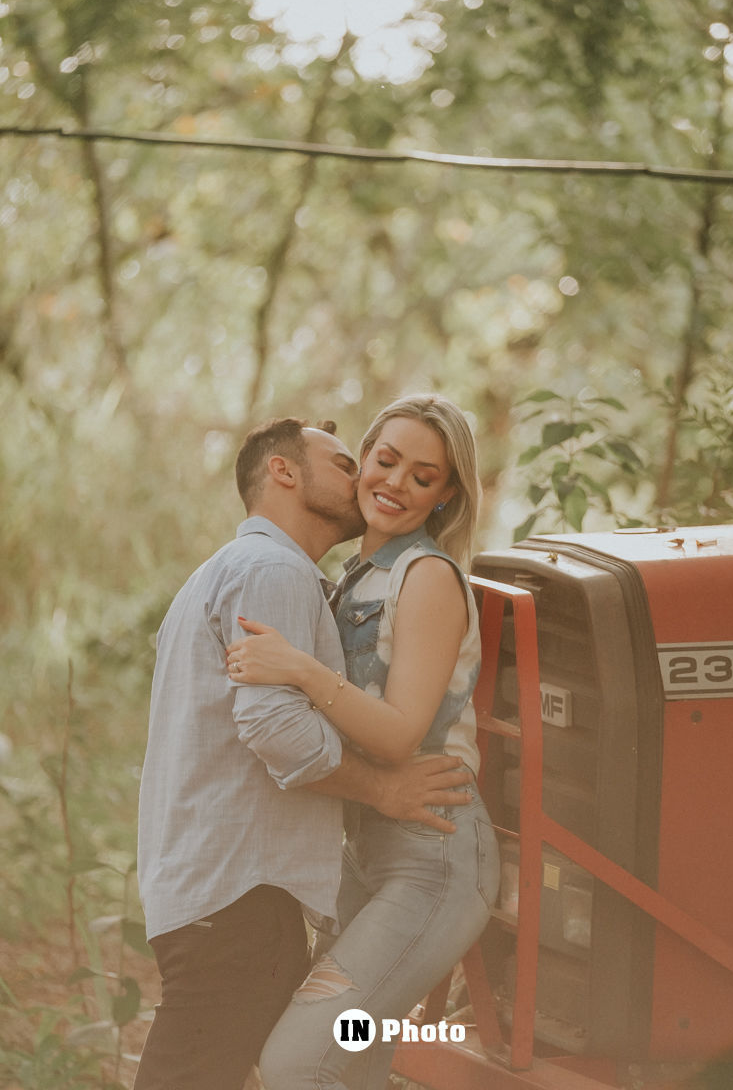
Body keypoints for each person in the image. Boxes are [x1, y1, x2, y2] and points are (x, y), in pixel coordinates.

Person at [134, 417, 474, 1090]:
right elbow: (277, 729)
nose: (370, 480)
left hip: (224, 893)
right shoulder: (275, 570)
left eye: (422, 476)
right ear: (285, 472)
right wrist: (382, 790)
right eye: (352, 463)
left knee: (320, 1057)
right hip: (238, 897)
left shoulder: (245, 571)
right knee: (288, 1063)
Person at [226, 394, 501, 1090]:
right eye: (385, 461)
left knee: (299, 1060)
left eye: (423, 476)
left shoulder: (428, 577)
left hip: (432, 863)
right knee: (355, 1052)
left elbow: (403, 730)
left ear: (444, 497)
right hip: (366, 856)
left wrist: (298, 666)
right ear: (361, 463)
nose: (395, 484)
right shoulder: (356, 576)